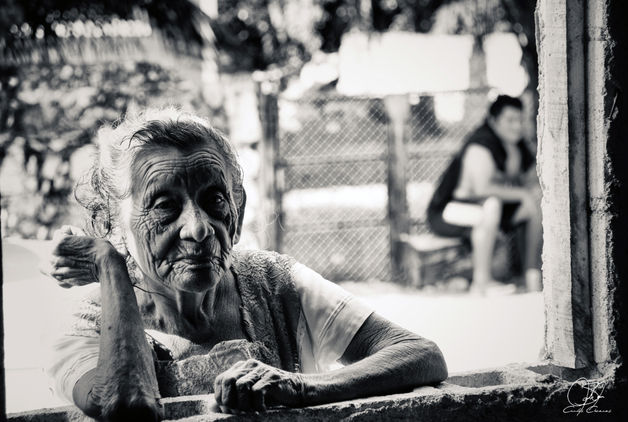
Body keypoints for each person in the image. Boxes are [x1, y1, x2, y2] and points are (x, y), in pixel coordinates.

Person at [43, 107, 448, 421]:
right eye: (165, 206)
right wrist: (109, 265)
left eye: (214, 200)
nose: (199, 229)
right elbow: (127, 406)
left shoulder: (273, 281)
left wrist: (302, 387)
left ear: (238, 209)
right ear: (113, 224)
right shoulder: (90, 324)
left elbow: (418, 353)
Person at [426, 95, 542, 294]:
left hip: (489, 211)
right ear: (493, 120)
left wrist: (529, 193)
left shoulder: (517, 146)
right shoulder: (480, 144)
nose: (517, 126)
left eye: (520, 120)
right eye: (510, 120)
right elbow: (481, 189)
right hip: (448, 212)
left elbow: (532, 180)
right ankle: (482, 282)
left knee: (537, 201)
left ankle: (533, 276)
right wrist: (522, 193)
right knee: (492, 205)